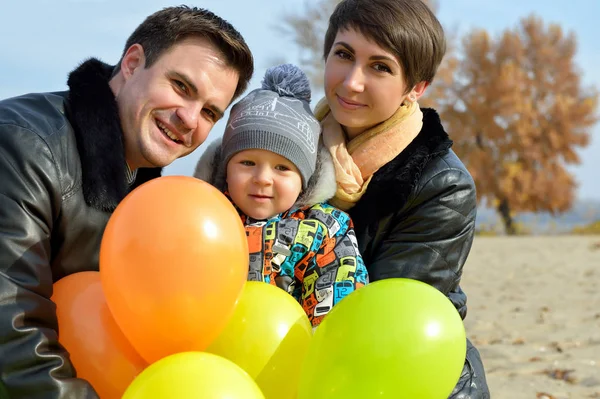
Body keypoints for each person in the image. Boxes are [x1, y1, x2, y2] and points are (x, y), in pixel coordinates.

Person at [0, 6, 253, 398]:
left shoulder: (152, 201)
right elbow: (10, 329)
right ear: (133, 63)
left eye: (209, 112)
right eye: (181, 86)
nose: (189, 118)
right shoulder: (25, 146)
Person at [314, 0, 490, 397]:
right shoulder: (288, 155)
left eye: (380, 66)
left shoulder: (442, 185)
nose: (352, 82)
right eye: (344, 55)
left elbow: (384, 321)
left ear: (416, 88)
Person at [194, 64, 368, 327]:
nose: (263, 178)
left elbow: (337, 307)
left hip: (287, 356)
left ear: (304, 181)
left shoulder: (325, 230)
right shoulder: (203, 218)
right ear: (225, 169)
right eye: (247, 163)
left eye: (282, 168)